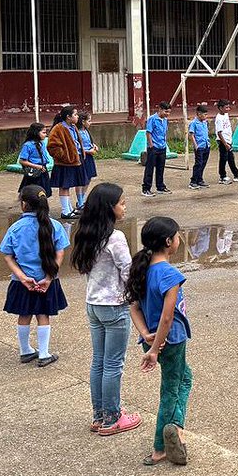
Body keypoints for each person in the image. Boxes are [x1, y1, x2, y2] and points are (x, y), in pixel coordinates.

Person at [71, 182, 141, 436]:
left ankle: (100, 415)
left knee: (99, 362)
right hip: (114, 306)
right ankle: (112, 419)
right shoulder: (116, 237)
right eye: (122, 203)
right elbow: (128, 272)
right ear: (109, 208)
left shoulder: (86, 233)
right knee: (113, 364)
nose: (125, 207)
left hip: (93, 304)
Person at [127, 216, 193, 467]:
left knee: (184, 377)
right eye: (177, 236)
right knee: (171, 388)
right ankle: (164, 440)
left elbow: (133, 307)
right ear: (169, 242)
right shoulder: (169, 275)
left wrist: (145, 335)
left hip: (152, 339)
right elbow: (167, 317)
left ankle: (173, 429)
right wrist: (154, 349)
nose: (179, 240)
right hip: (170, 340)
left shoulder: (142, 269)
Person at [0, 185, 70, 367]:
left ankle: (25, 351)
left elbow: (7, 255)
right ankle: (44, 353)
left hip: (21, 282)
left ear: (23, 205)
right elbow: (60, 253)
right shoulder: (54, 225)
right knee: (43, 314)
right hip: (46, 280)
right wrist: (48, 277)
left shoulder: (15, 228)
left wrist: (22, 277)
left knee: (24, 315)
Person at [47, 105, 86, 219]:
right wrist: (65, 157)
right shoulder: (58, 128)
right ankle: (65, 211)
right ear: (68, 117)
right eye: (75, 114)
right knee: (64, 186)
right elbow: (52, 147)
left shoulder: (73, 127)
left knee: (70, 185)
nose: (77, 116)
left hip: (75, 161)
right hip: (65, 163)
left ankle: (69, 209)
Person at [141, 102, 172, 197]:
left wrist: (165, 143)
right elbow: (148, 132)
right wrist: (151, 145)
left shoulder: (165, 120)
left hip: (162, 147)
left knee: (160, 168)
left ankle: (160, 187)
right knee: (150, 168)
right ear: (160, 109)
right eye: (166, 111)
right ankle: (146, 188)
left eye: (169, 112)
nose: (167, 114)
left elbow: (165, 132)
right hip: (154, 147)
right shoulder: (152, 119)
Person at [213, 99, 238, 184]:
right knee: (223, 159)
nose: (228, 109)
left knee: (231, 158)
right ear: (220, 108)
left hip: (228, 140)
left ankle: (236, 175)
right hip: (223, 141)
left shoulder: (226, 115)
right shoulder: (219, 118)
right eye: (226, 107)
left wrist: (230, 141)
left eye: (228, 107)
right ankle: (222, 176)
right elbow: (219, 133)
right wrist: (225, 144)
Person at [18, 122, 52, 195]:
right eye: (43, 132)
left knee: (43, 192)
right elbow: (22, 161)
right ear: (36, 133)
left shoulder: (41, 143)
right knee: (32, 193)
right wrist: (37, 166)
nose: (45, 135)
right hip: (33, 171)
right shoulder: (28, 145)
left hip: (43, 170)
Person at [187, 104, 211, 189]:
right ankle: (193, 181)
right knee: (198, 163)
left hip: (206, 145)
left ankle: (199, 179)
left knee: (203, 163)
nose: (206, 116)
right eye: (204, 114)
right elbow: (191, 134)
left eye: (206, 114)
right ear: (199, 114)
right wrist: (195, 145)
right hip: (199, 147)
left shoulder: (205, 122)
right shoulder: (194, 123)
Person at [77, 111, 98, 208]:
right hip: (82, 157)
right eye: (89, 121)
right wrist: (88, 151)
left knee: (88, 178)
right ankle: (79, 200)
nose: (90, 123)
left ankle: (83, 197)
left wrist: (94, 146)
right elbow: (77, 147)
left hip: (89, 157)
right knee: (81, 179)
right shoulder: (77, 133)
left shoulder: (86, 131)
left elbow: (89, 142)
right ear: (82, 121)